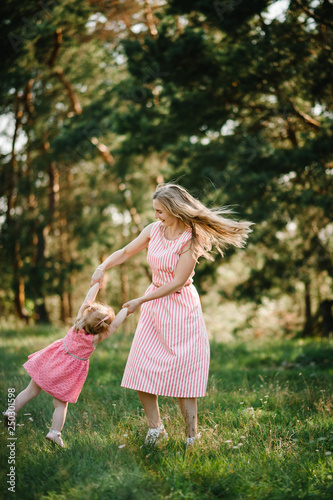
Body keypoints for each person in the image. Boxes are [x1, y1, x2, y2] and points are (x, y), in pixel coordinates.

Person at [90, 183, 252, 446]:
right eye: (154, 211)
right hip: (154, 306)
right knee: (141, 367)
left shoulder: (191, 239)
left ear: (175, 210)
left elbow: (177, 282)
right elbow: (126, 251)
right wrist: (103, 266)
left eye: (160, 211)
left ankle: (192, 437)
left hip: (180, 307)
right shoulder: (154, 230)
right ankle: (156, 428)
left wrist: (140, 300)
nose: (156, 216)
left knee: (183, 376)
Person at [3, 283, 128, 447]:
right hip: (67, 373)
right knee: (60, 404)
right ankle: (54, 433)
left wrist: (96, 284)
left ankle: (11, 411)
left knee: (31, 390)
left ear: (86, 314)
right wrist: (126, 309)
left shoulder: (77, 323)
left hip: (51, 361)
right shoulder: (95, 339)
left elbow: (87, 300)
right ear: (102, 328)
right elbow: (115, 325)